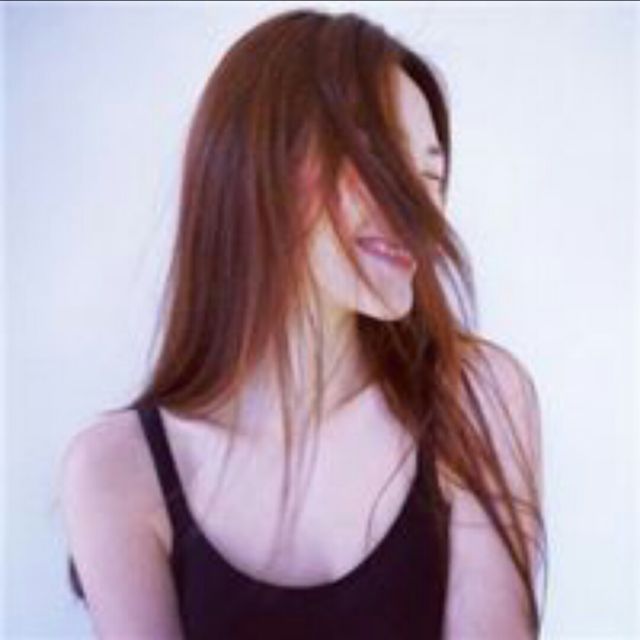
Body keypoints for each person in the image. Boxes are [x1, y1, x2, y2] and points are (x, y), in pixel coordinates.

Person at [57, 8, 547, 639]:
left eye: (431, 176)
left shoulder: (477, 399)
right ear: (257, 165)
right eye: (378, 159)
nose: (418, 210)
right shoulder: (113, 470)